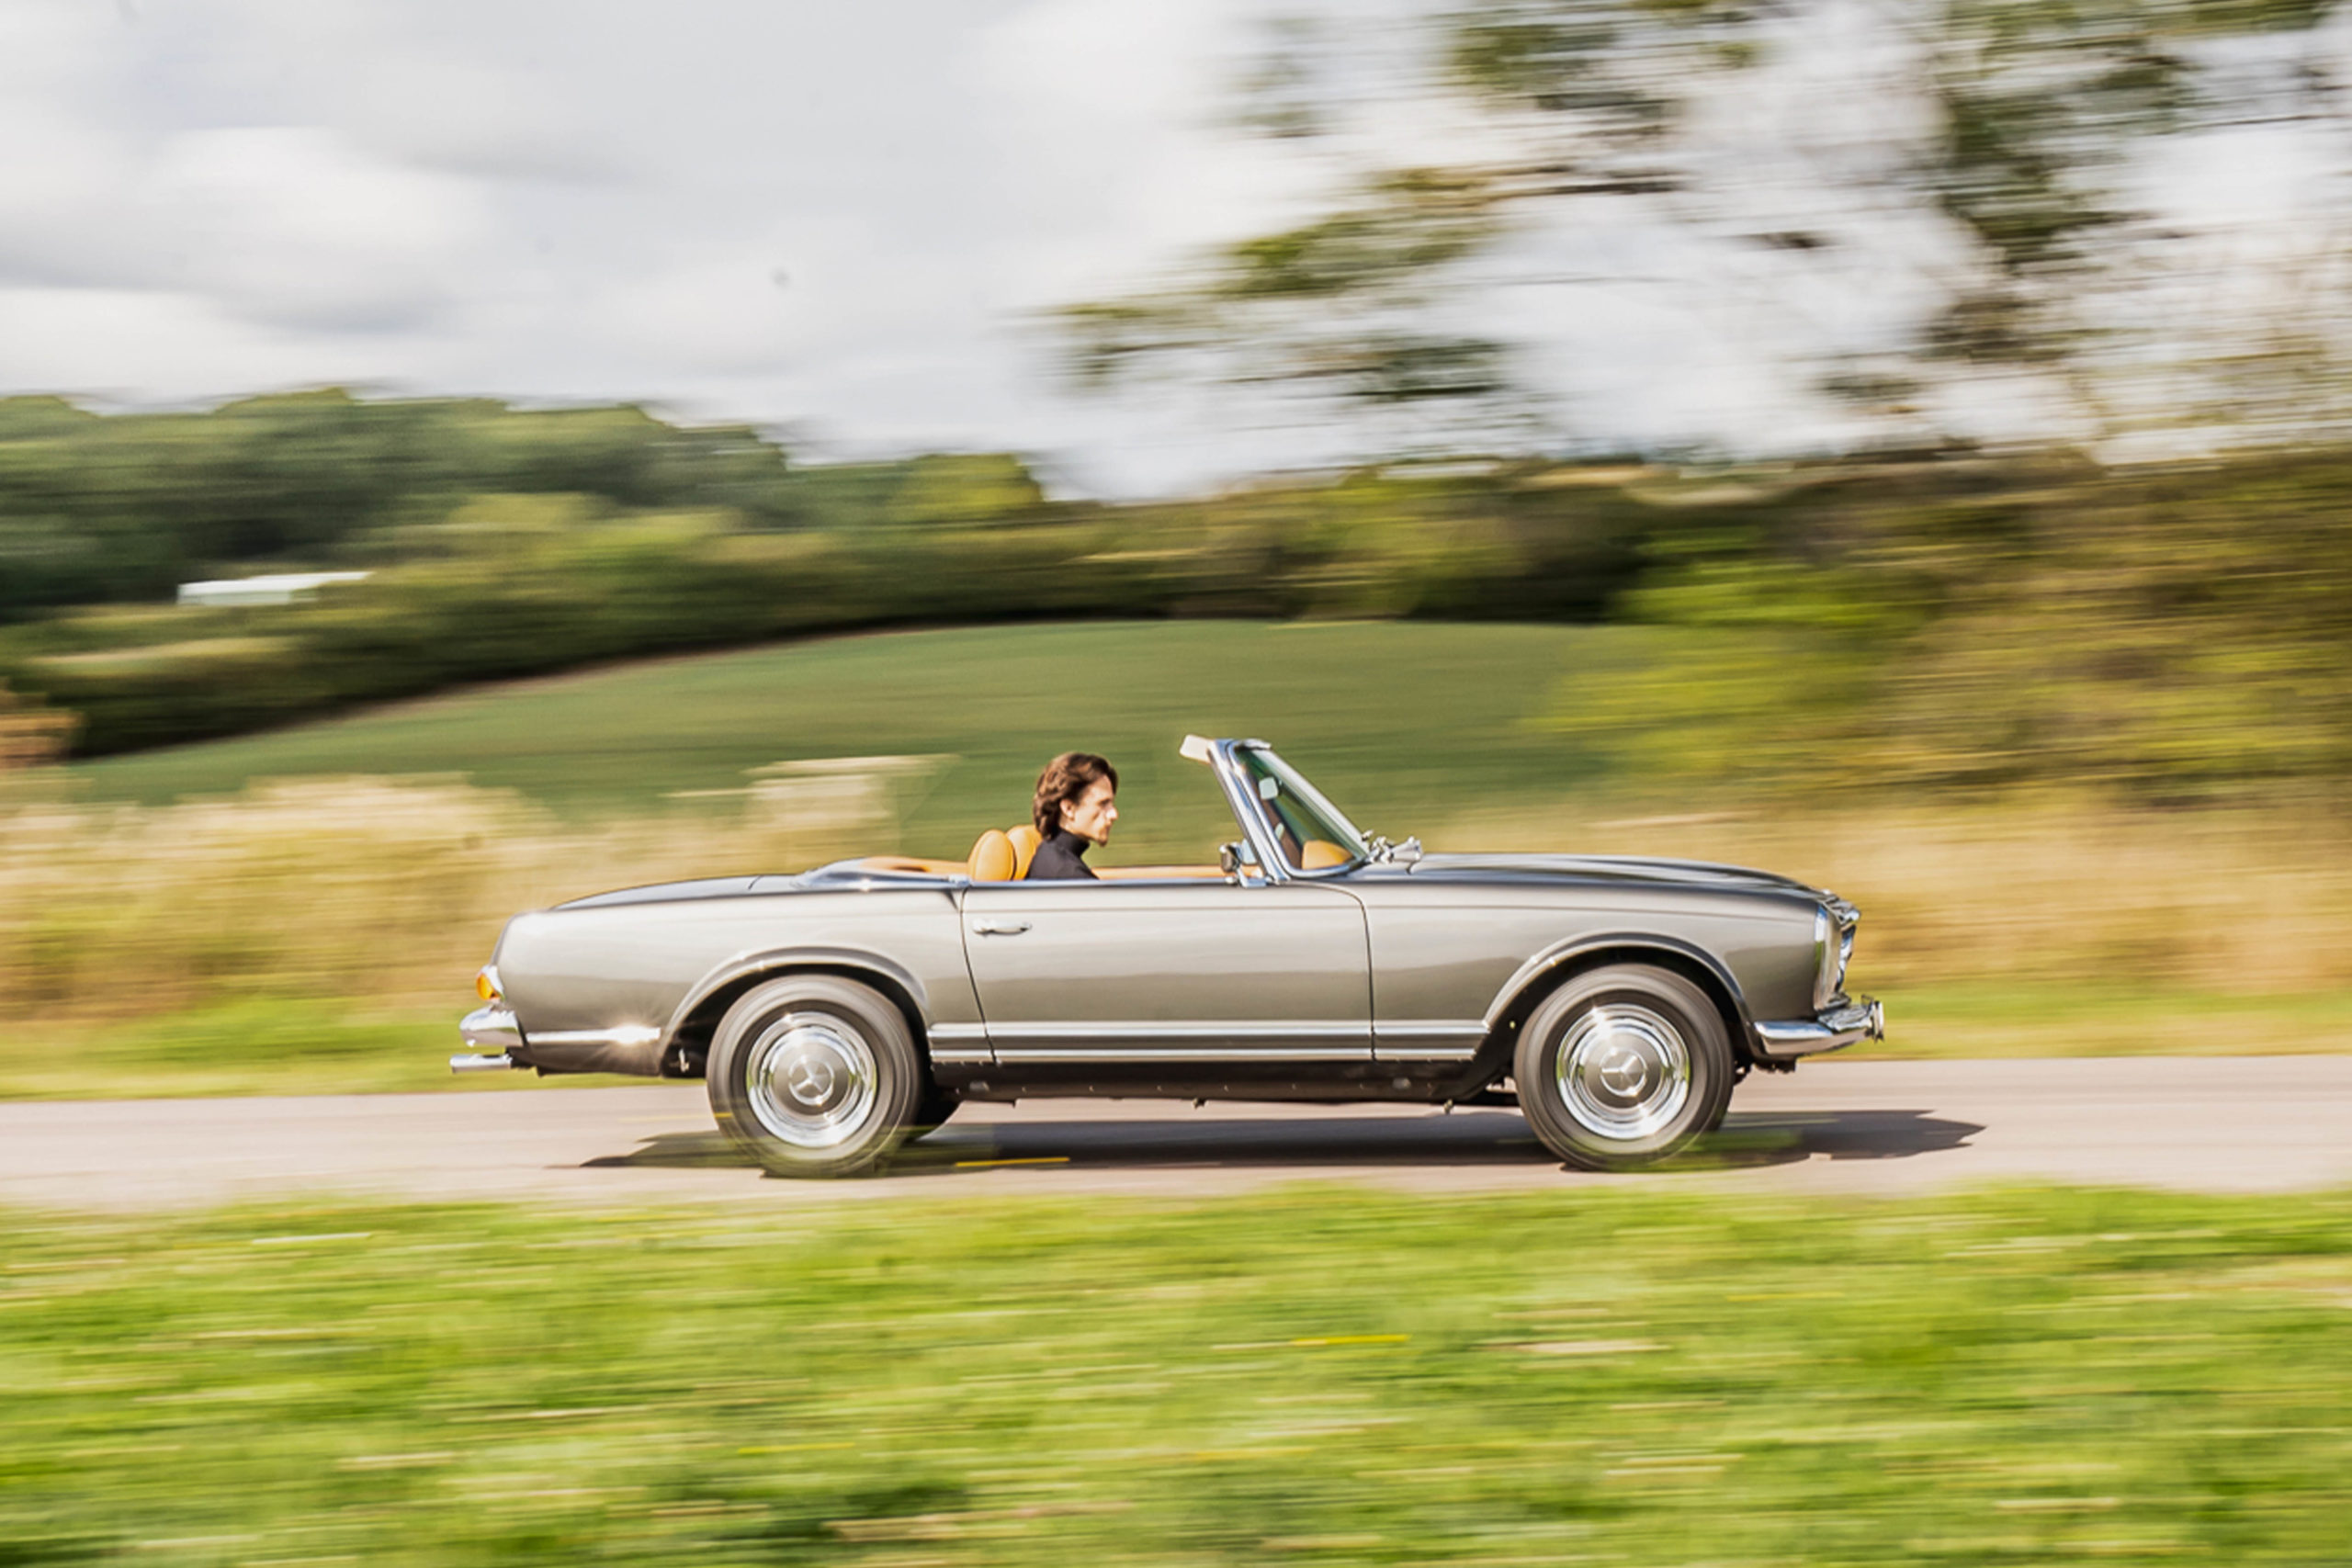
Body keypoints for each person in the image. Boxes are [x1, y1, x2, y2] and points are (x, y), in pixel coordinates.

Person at [1024, 751, 1118, 880]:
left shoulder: (1048, 854)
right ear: (1069, 808)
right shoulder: (1071, 876)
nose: (1114, 814)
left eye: (1111, 803)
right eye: (1103, 804)